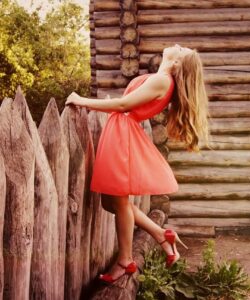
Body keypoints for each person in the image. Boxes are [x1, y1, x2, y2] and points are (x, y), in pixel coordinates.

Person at [65, 44, 211, 284]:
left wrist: (82, 100)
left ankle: (125, 260)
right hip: (120, 130)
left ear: (176, 63)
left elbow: (123, 106)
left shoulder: (163, 81)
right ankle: (161, 234)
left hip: (123, 134)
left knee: (119, 202)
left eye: (181, 49)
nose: (176, 45)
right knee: (110, 202)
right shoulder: (160, 78)